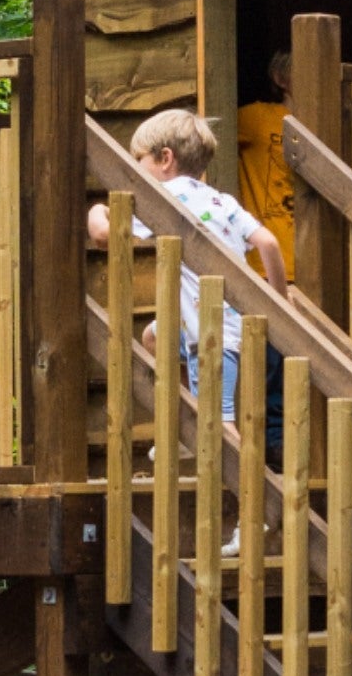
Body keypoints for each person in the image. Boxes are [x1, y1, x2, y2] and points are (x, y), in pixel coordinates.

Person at [87, 109, 289, 447]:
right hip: (226, 322)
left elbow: (103, 236)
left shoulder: (165, 201)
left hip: (208, 334)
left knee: (221, 424)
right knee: (154, 337)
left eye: (140, 161)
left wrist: (96, 209)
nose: (137, 171)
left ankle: (239, 473)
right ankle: (188, 419)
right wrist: (279, 304)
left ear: (165, 158)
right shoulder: (221, 200)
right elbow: (268, 243)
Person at [234, 51, 299, 284]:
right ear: (280, 79)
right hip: (267, 258)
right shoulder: (258, 118)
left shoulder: (326, 125)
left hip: (312, 257)